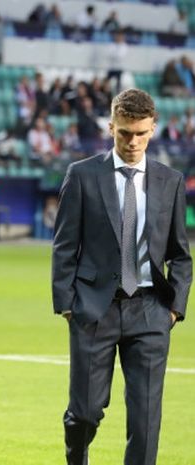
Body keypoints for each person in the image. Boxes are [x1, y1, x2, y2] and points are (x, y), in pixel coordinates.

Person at [52, 88, 192, 465]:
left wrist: (174, 308)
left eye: (141, 133)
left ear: (153, 129)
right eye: (125, 133)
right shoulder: (81, 175)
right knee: (85, 412)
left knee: (146, 418)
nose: (133, 142)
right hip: (94, 309)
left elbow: (180, 253)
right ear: (111, 127)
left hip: (150, 310)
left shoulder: (170, 180)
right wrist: (67, 306)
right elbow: (65, 245)